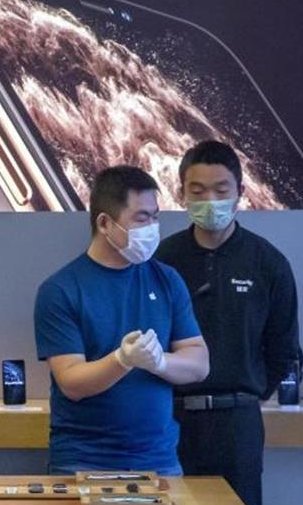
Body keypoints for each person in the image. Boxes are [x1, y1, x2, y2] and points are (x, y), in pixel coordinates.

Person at [156, 140, 302, 505]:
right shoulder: (161, 261)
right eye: (198, 191)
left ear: (240, 192)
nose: (211, 201)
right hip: (170, 419)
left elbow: (284, 349)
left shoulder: (267, 262)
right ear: (181, 194)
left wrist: (247, 393)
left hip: (237, 423)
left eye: (221, 191)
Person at [34, 166, 209, 476]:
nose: (153, 227)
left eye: (156, 216)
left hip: (159, 461)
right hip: (82, 462)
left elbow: (198, 363)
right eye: (142, 218)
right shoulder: (61, 290)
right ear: (105, 223)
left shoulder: (167, 280)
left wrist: (159, 362)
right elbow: (71, 382)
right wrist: (122, 359)